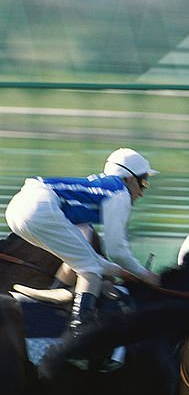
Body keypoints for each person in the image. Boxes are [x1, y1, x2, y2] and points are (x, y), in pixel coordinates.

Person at [4, 147, 160, 343]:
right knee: (90, 268)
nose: (142, 192)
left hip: (17, 208)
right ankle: (81, 329)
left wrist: (120, 272)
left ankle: (53, 298)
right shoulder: (120, 193)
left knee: (81, 261)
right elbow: (116, 251)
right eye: (143, 182)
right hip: (39, 206)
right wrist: (144, 275)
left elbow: (89, 253)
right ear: (128, 179)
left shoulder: (94, 191)